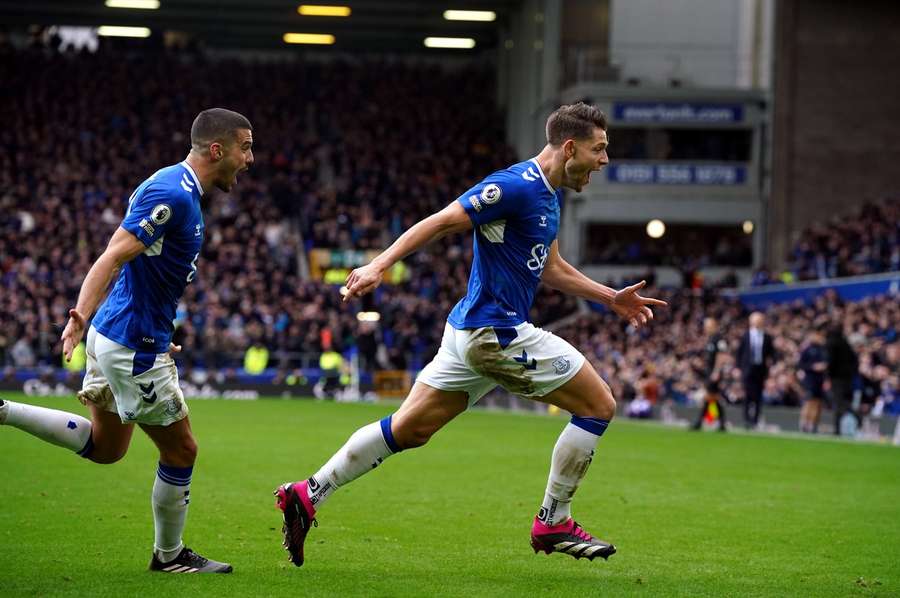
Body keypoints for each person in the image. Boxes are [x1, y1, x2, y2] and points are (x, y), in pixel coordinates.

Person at [275, 102, 667, 566]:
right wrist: (378, 265)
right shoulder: (513, 186)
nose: (605, 160)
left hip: (468, 333)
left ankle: (308, 492)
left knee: (409, 429)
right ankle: (554, 519)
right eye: (599, 149)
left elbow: (552, 267)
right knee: (600, 405)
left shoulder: (548, 197)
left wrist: (609, 298)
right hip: (494, 332)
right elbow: (442, 220)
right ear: (569, 147)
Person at [0, 108, 253, 573]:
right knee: (182, 450)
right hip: (130, 343)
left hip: (122, 336)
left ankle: (4, 411)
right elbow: (114, 254)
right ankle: (170, 556)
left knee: (106, 448)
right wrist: (79, 314)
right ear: (218, 150)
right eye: (245, 146)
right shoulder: (172, 194)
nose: (250, 158)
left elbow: (142, 270)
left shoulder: (177, 190)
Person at [735, 311, 776, 428]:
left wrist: (772, 365)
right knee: (747, 396)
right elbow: (739, 353)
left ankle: (755, 420)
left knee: (758, 397)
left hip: (761, 370)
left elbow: (772, 354)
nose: (758, 323)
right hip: (747, 369)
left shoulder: (767, 337)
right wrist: (738, 368)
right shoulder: (745, 336)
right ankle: (746, 420)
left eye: (760, 320)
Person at [691, 317, 728, 431]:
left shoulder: (719, 339)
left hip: (714, 372)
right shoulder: (710, 339)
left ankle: (699, 422)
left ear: (713, 326)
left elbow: (721, 356)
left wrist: (716, 371)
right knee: (712, 398)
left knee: (709, 397)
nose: (705, 328)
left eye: (707, 326)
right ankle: (721, 423)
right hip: (709, 371)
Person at [825, 325, 858, 436]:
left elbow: (830, 362)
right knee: (839, 403)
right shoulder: (846, 344)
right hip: (847, 378)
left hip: (836, 378)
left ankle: (856, 414)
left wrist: (827, 378)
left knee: (839, 403)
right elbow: (855, 360)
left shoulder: (831, 343)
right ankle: (837, 430)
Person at [797, 328, 827, 433]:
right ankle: (804, 424)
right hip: (810, 380)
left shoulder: (823, 349)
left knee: (818, 403)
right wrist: (813, 367)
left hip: (820, 380)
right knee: (809, 402)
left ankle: (813, 425)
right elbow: (800, 364)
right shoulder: (807, 349)